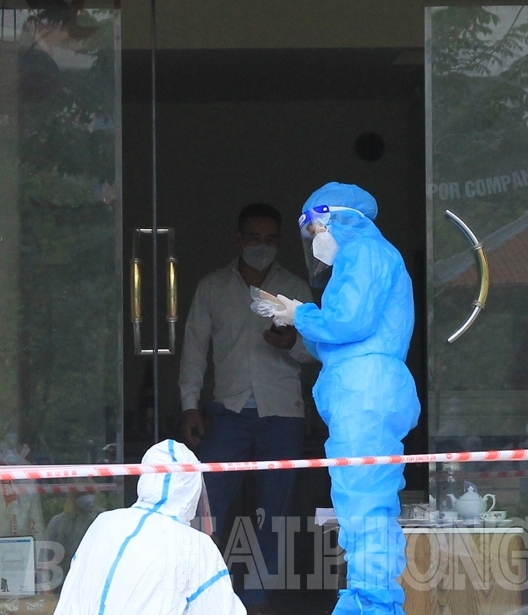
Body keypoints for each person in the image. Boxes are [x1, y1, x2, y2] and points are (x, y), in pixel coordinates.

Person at [252, 183, 420, 615]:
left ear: (337, 219)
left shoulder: (364, 253)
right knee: (364, 502)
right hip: (365, 392)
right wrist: (299, 320)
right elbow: (337, 339)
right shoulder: (368, 256)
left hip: (364, 395)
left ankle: (370, 603)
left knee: (363, 503)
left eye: (316, 231)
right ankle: (371, 598)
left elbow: (347, 322)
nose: (315, 242)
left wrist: (301, 313)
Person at [179, 202, 314, 615]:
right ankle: (201, 591)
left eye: (270, 239)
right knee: (207, 505)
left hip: (283, 413)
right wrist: (189, 406)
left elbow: (317, 349)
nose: (262, 246)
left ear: (280, 242)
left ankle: (257, 599)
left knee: (274, 511)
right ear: (239, 240)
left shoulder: (295, 288)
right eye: (254, 238)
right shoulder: (213, 287)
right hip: (228, 412)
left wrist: (292, 343)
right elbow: (194, 349)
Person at [53, 439, 245, 615]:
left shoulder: (104, 523)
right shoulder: (196, 545)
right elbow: (221, 608)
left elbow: (72, 594)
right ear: (192, 485)